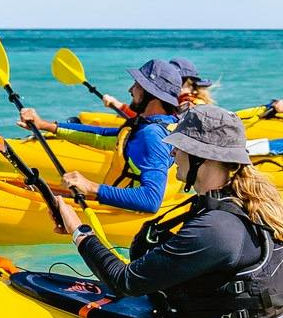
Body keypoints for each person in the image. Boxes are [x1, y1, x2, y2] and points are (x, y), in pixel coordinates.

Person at [54, 105, 283, 318]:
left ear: (203, 158)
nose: (173, 154)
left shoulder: (216, 227)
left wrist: (78, 229)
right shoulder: (243, 203)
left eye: (180, 147)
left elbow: (125, 282)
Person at [21, 58, 183, 214]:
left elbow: (151, 200)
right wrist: (45, 125)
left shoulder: (152, 135)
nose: (130, 90)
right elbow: (101, 136)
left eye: (138, 85)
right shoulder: (162, 124)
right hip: (127, 206)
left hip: (125, 214)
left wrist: (91, 187)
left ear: (152, 94)